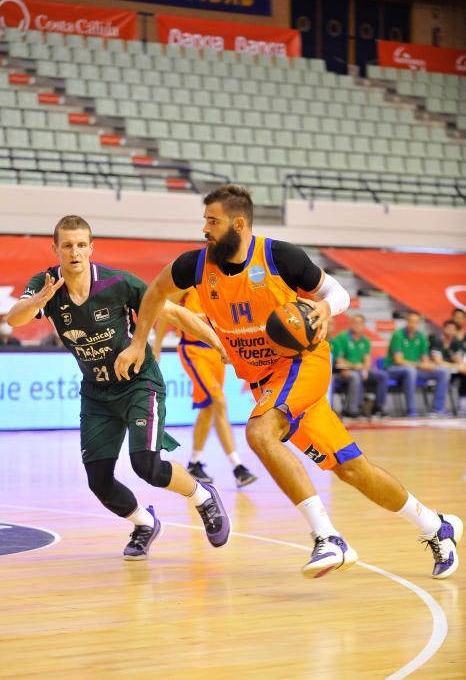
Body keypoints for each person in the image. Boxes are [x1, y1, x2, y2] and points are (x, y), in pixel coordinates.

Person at [115, 185, 462, 580]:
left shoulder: (280, 256)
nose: (205, 229)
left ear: (238, 223)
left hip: (303, 363)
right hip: (266, 382)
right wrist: (139, 342)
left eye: (213, 221)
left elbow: (338, 293)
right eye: (205, 221)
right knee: (352, 469)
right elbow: (155, 293)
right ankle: (437, 526)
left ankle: (328, 537)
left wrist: (325, 308)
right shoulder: (194, 266)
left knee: (261, 432)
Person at [6, 215, 231, 561]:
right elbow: (14, 319)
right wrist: (39, 300)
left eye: (81, 245)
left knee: (148, 467)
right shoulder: (45, 284)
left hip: (139, 383)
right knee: (99, 481)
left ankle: (203, 497)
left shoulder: (117, 282)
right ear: (55, 249)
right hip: (96, 392)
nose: (75, 252)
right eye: (67, 245)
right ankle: (144, 523)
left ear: (91, 248)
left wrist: (219, 344)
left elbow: (172, 313)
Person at [154, 286, 258, 488]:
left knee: (208, 409)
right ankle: (238, 467)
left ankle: (194, 463)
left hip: (218, 353)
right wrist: (157, 347)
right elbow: (165, 310)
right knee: (219, 401)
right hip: (193, 351)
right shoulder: (187, 285)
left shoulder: (226, 288)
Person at [385, 312, 449, 417]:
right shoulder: (398, 335)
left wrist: (428, 365)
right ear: (407, 322)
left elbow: (424, 359)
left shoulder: (421, 337)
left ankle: (437, 410)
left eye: (416, 322)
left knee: (443, 372)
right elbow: (398, 360)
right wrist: (420, 365)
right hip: (393, 369)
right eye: (411, 321)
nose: (413, 324)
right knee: (411, 371)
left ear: (419, 324)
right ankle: (411, 410)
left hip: (413, 369)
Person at [334, 314, 388, 418]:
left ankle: (378, 408)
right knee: (355, 375)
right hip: (344, 371)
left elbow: (367, 361)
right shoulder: (342, 337)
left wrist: (365, 370)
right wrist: (355, 366)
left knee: (382, 375)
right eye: (355, 322)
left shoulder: (365, 341)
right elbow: (339, 361)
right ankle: (353, 410)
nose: (357, 325)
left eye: (360, 323)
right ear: (351, 324)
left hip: (361, 370)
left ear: (364, 325)